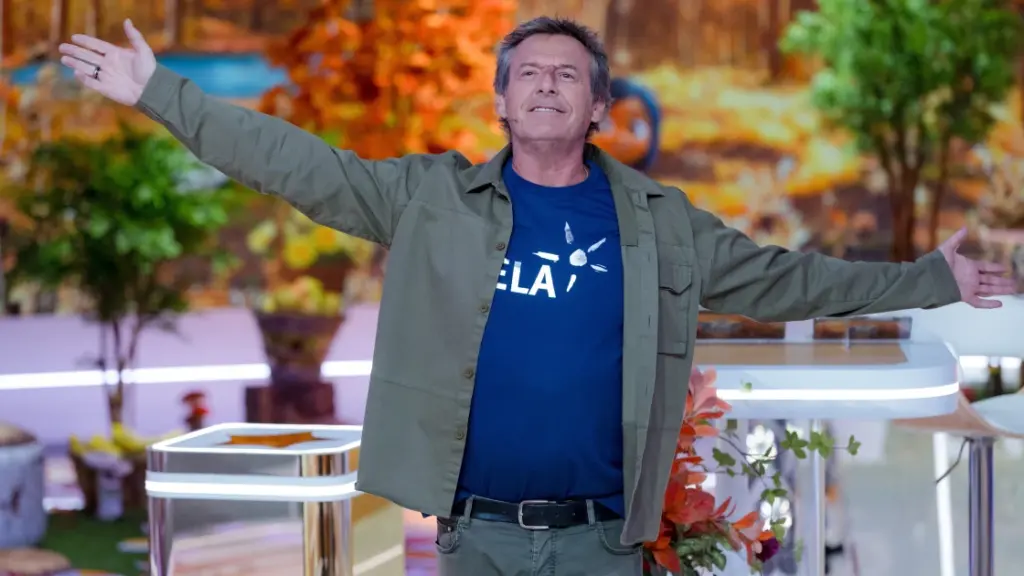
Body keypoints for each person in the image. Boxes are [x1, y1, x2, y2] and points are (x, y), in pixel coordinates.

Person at [60, 16, 1012, 576]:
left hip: (601, 544)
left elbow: (788, 277)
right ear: (502, 102)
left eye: (568, 76)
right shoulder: (430, 199)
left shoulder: (661, 223)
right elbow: (294, 163)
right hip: (474, 539)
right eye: (529, 75)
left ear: (599, 108)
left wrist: (930, 278)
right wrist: (160, 92)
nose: (547, 86)